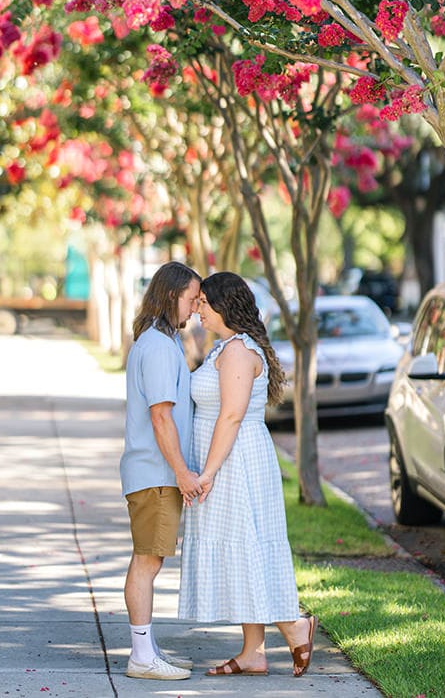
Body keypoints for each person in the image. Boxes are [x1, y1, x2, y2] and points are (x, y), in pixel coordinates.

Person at [178, 272, 318, 677]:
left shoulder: (238, 351)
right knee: (243, 549)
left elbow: (233, 415)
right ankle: (254, 652)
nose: (198, 308)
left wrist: (207, 472)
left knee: (247, 548)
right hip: (228, 457)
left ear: (224, 306)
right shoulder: (226, 347)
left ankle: (293, 625)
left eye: (204, 301)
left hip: (234, 461)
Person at [121, 261, 203, 681]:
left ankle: (147, 646)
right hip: (155, 473)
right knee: (147, 562)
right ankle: (141, 657)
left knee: (150, 560)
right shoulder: (155, 346)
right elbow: (160, 417)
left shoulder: (164, 341)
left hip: (158, 473)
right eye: (192, 298)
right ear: (173, 295)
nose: (195, 307)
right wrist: (183, 473)